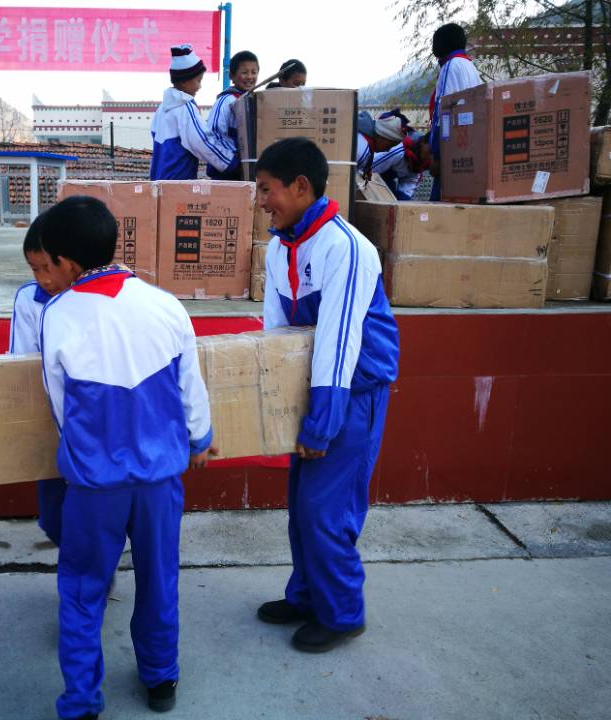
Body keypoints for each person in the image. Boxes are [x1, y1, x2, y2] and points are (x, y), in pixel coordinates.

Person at [37, 195, 215, 719]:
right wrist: (200, 440)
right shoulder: (166, 304)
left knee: (82, 591)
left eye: (49, 263)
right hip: (160, 482)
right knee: (159, 580)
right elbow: (191, 389)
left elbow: (59, 405)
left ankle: (81, 701)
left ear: (67, 262)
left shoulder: (57, 314)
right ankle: (161, 678)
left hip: (95, 486)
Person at [253, 138, 399, 653]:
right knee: (302, 505)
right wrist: (274, 406)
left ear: (300, 186)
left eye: (266, 189)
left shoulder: (346, 247)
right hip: (313, 389)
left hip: (351, 393)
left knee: (326, 510)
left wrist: (322, 423)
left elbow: (338, 342)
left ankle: (342, 614)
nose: (261, 201)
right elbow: (275, 333)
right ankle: (306, 595)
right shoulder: (280, 247)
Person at [9, 213, 69, 546]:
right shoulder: (29, 299)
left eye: (48, 267)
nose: (43, 279)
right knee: (54, 518)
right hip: (49, 421)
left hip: (89, 422)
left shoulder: (90, 300)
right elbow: (20, 361)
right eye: (35, 269)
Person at [150, 44, 239, 180]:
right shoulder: (186, 108)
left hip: (158, 180)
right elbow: (202, 141)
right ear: (184, 82)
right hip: (179, 183)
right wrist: (231, 162)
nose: (200, 86)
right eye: (198, 80)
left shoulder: (161, 110)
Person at [428, 23, 483, 200]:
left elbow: (443, 111)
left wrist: (437, 153)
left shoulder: (450, 66)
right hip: (468, 147)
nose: (433, 48)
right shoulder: (470, 67)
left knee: (440, 203)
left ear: (443, 43)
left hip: (452, 150)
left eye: (434, 42)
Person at [207, 50, 259, 180]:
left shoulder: (255, 101)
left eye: (254, 72)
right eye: (244, 72)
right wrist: (234, 163)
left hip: (247, 173)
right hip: (226, 174)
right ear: (231, 76)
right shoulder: (225, 101)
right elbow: (213, 134)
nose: (250, 77)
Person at [371, 131, 432, 200]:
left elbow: (410, 182)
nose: (431, 156)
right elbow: (369, 166)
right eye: (430, 150)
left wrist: (404, 199)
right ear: (423, 143)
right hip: (373, 172)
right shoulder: (398, 151)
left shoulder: (421, 164)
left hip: (388, 179)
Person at [356, 112, 404, 181]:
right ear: (383, 137)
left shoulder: (362, 136)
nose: (387, 150)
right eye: (389, 146)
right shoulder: (362, 150)